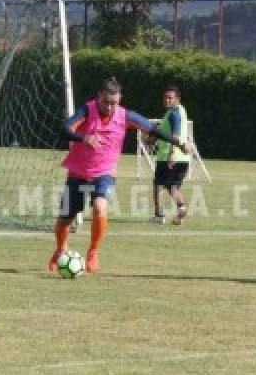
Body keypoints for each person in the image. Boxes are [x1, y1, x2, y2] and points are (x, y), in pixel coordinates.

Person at [50, 78, 188, 274]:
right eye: (106, 102)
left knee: (100, 206)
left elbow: (154, 130)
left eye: (114, 103)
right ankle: (60, 249)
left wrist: (181, 145)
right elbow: (64, 130)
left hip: (104, 172)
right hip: (78, 172)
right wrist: (83, 138)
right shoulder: (86, 111)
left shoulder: (125, 116)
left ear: (120, 99)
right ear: (99, 96)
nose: (110, 107)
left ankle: (93, 251)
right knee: (65, 219)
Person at [150, 84, 190, 225]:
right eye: (165, 97)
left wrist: (172, 153)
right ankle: (181, 208)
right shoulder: (180, 111)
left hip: (169, 156)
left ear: (177, 99)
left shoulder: (174, 113)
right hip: (184, 158)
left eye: (170, 98)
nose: (166, 100)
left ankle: (159, 215)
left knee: (158, 185)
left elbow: (175, 135)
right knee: (172, 186)